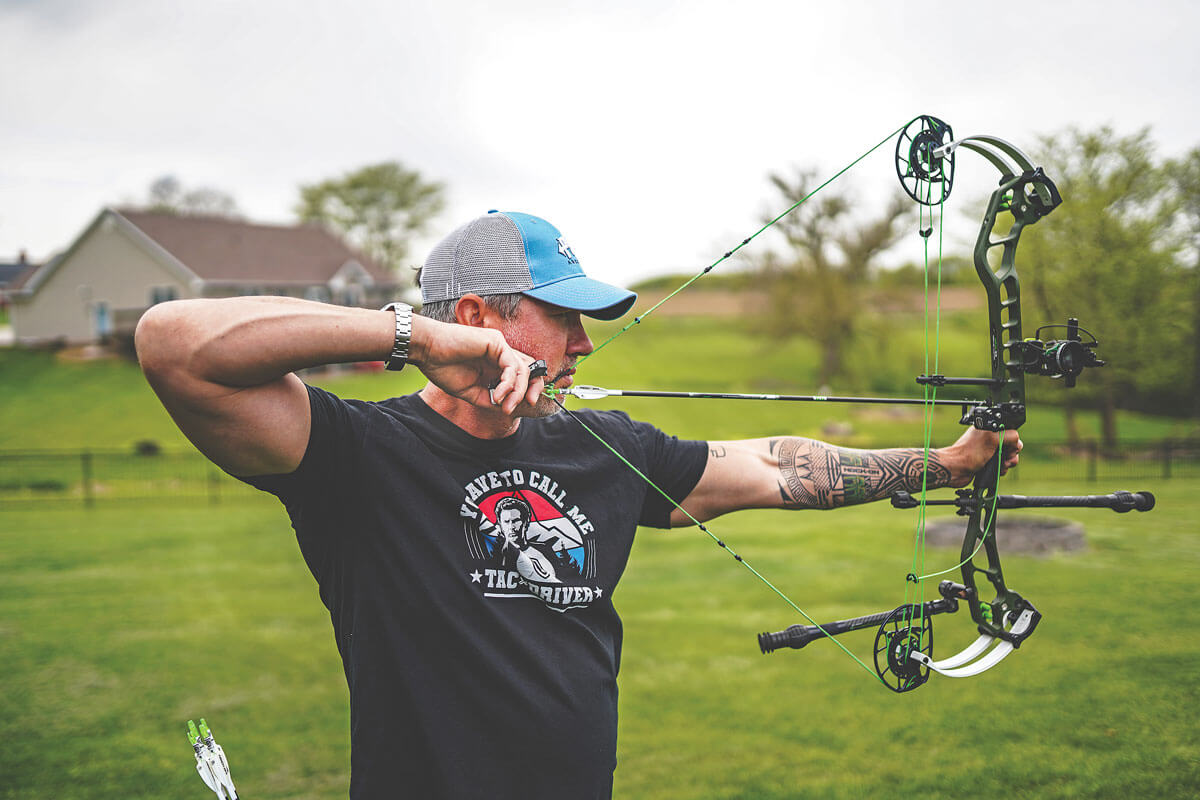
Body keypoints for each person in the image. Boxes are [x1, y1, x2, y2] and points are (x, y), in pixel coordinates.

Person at [135, 210, 1020, 799]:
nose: (584, 344)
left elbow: (772, 468)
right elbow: (173, 344)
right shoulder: (354, 455)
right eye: (563, 319)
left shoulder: (600, 449)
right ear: (480, 315)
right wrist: (418, 335)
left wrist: (948, 462)